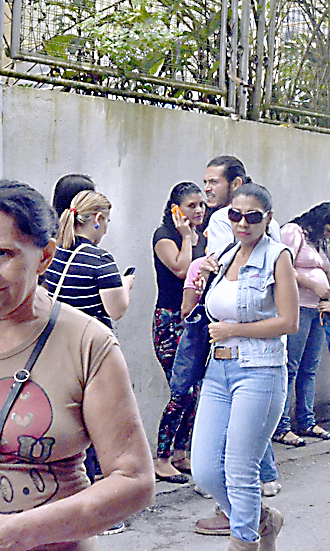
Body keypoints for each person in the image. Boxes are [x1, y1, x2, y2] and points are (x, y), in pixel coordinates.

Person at [0, 179, 153, 547]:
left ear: (45, 256)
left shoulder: (89, 344)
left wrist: (18, 533)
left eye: (1, 254)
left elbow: (133, 481)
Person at [189, 182, 298, 551]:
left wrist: (235, 329)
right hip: (217, 371)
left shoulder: (277, 256)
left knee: (240, 468)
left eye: (252, 217)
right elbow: (195, 307)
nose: (243, 223)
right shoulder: (225, 253)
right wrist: (199, 276)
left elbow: (289, 322)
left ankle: (245, 541)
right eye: (235, 215)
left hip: (260, 370)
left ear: (267, 218)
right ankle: (264, 519)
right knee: (204, 469)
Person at [273, 203, 330, 447]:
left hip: (317, 308)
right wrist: (311, 284)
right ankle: (282, 425)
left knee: (310, 367)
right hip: (298, 307)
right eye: (327, 229)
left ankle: (306, 419)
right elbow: (283, 266)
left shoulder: (317, 242)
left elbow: (326, 275)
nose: (329, 234)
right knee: (291, 367)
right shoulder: (293, 233)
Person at [152, 182, 208, 483]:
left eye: (202, 204)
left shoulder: (205, 235)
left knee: (194, 391)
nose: (199, 210)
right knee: (180, 390)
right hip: (169, 321)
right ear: (176, 209)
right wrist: (187, 237)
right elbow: (181, 269)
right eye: (191, 205)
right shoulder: (165, 236)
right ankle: (160, 458)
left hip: (195, 320)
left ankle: (180, 452)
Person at [43, 190, 132, 329]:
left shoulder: (53, 251)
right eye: (106, 222)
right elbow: (116, 311)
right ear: (98, 219)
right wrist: (125, 284)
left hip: (57, 334)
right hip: (89, 340)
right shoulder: (101, 260)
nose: (105, 230)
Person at [203, 156, 281, 256]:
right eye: (206, 182)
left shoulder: (220, 218)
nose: (206, 188)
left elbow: (219, 264)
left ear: (236, 184)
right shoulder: (270, 220)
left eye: (214, 182)